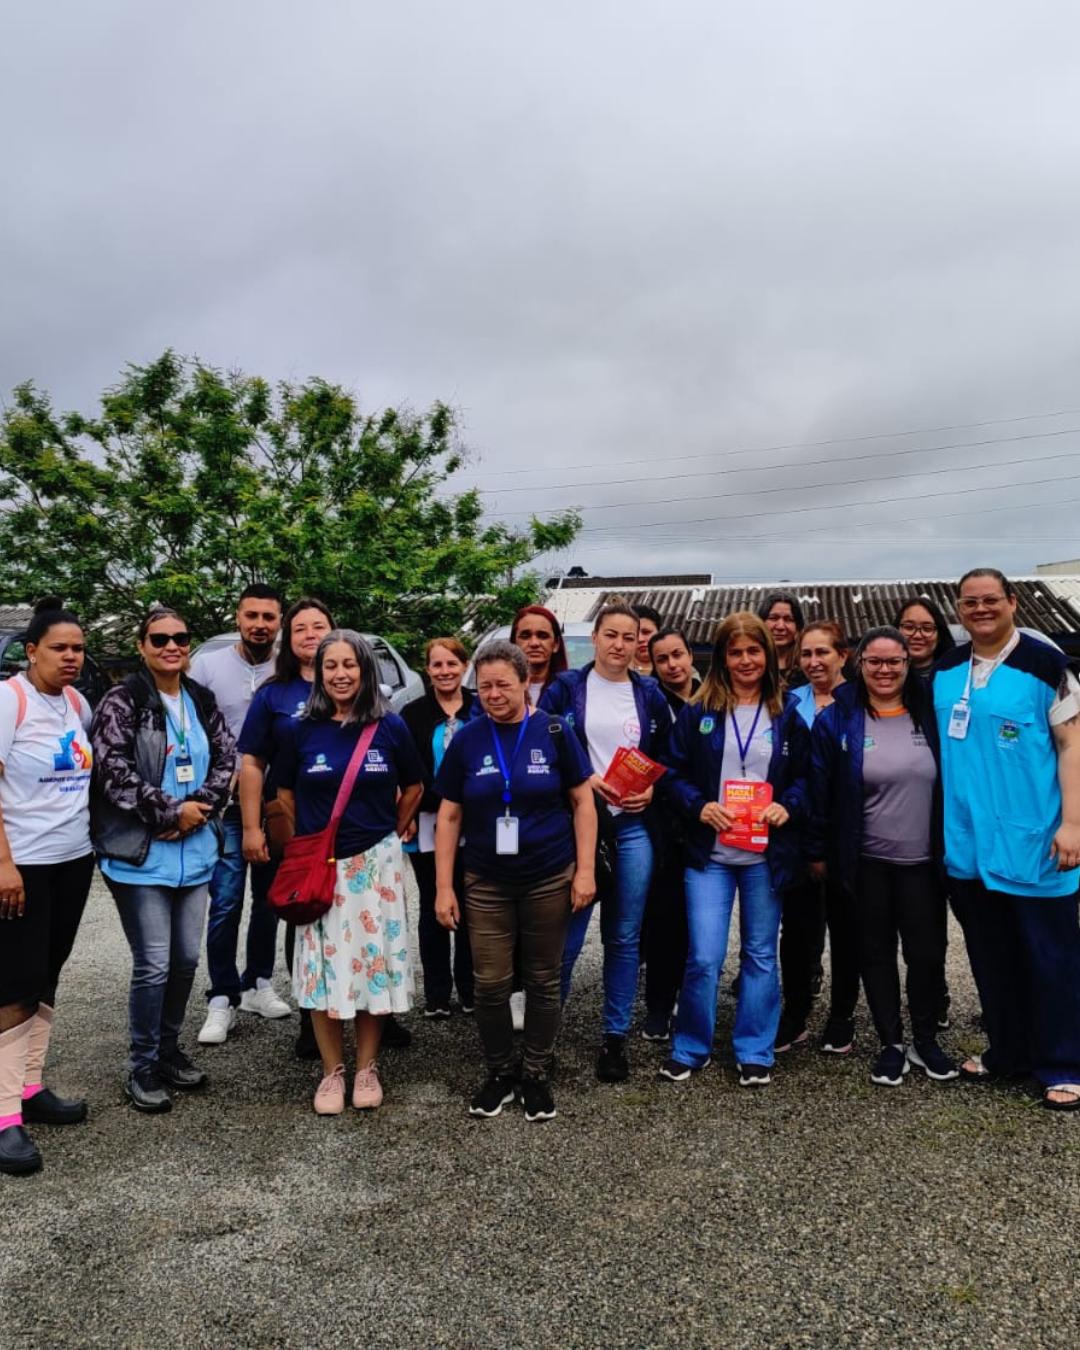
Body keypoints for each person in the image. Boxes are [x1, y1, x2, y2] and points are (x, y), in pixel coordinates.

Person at [933, 568, 1080, 1110]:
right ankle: (1008, 1051)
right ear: (959, 609)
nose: (980, 609)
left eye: (990, 599)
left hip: (1036, 841)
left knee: (1052, 959)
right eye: (969, 602)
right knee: (991, 958)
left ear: (1013, 602)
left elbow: (1072, 746)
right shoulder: (947, 669)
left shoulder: (1047, 666)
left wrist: (1074, 824)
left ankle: (1064, 1061)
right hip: (969, 847)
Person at [433, 641, 596, 1121]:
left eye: (504, 684)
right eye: (484, 686)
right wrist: (445, 887)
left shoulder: (554, 730)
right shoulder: (467, 737)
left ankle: (537, 1073)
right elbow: (449, 815)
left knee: (544, 980)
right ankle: (501, 1071)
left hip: (548, 873)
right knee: (489, 983)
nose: (494, 694)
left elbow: (583, 803)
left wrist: (584, 871)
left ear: (526, 682)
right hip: (486, 879)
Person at [274, 631, 424, 1115]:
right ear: (319, 673)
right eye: (330, 665)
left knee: (371, 969)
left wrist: (392, 830)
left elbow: (416, 785)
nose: (340, 674)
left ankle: (366, 1067)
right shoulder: (302, 730)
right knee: (321, 971)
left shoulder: (390, 727)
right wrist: (310, 843)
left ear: (366, 670)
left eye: (350, 665)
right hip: (323, 868)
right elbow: (285, 794)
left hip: (375, 867)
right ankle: (331, 1072)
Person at [92, 607, 235, 1112]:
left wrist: (199, 811)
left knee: (186, 960)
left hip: (194, 853)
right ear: (142, 645)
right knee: (153, 963)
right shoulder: (122, 699)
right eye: (160, 639)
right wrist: (171, 810)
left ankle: (171, 1049)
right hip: (142, 855)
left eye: (179, 638)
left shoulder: (199, 698)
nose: (171, 646)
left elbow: (226, 756)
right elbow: (112, 770)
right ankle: (142, 1064)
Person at [659, 613, 807, 1088]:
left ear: (767, 653)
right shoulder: (699, 712)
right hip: (711, 856)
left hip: (765, 855)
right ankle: (691, 1046)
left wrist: (788, 804)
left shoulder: (787, 712)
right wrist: (698, 805)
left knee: (761, 954)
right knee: (704, 955)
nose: (745, 661)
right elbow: (671, 773)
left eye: (753, 651)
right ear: (722, 658)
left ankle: (754, 1049)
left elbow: (809, 777)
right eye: (735, 652)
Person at [808, 627, 956, 1087]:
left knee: (928, 954)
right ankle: (891, 1042)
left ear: (907, 665)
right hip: (866, 862)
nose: (885, 670)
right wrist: (817, 852)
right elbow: (819, 793)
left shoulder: (930, 713)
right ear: (859, 664)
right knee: (875, 954)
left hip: (923, 862)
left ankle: (926, 1038)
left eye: (894, 662)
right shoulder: (836, 720)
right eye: (875, 662)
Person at [541, 598, 671, 1082]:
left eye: (629, 636)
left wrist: (655, 789)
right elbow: (544, 747)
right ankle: (544, 1038)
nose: (620, 644)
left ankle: (614, 1038)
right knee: (567, 938)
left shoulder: (649, 693)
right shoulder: (566, 688)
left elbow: (668, 757)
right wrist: (583, 780)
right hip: (580, 826)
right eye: (610, 635)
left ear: (641, 643)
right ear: (593, 639)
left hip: (633, 824)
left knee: (623, 937)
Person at [0, 601, 96, 1176]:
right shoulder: (9, 701)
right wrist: (3, 862)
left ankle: (30, 1087)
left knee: (47, 973)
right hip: (23, 865)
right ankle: (4, 1113)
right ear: (31, 650)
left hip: (71, 859)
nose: (71, 657)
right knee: (13, 983)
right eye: (59, 648)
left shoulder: (76, 705)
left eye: (78, 648)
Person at [190, 584, 287, 1045]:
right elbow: (192, 730)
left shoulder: (286, 669)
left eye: (269, 616)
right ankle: (222, 995)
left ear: (279, 621)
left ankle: (258, 982)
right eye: (252, 615)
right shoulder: (207, 666)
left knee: (270, 900)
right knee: (226, 900)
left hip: (275, 804)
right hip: (225, 805)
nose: (260, 624)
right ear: (238, 616)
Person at [237, 597, 333, 1060]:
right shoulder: (274, 694)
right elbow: (252, 763)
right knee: (304, 915)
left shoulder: (352, 682)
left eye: (319, 625)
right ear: (287, 639)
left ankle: (376, 1010)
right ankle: (310, 1017)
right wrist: (252, 827)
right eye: (300, 628)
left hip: (351, 822)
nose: (310, 634)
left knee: (359, 913)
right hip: (294, 823)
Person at [775, 621, 860, 1054]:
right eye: (806, 654)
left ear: (843, 655)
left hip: (848, 835)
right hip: (797, 834)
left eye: (823, 653)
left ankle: (842, 1015)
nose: (814, 662)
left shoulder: (860, 704)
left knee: (848, 928)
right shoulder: (789, 704)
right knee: (798, 931)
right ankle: (795, 1013)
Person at [401, 637, 476, 1019]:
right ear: (427, 669)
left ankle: (469, 988)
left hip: (474, 820)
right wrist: (407, 814)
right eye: (437, 665)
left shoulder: (480, 706)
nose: (445, 671)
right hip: (429, 820)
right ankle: (435, 993)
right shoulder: (412, 713)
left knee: (471, 903)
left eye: (452, 663)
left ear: (464, 665)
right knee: (434, 902)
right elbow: (404, 770)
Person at [893, 596, 957, 1028]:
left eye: (926, 627)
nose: (917, 635)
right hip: (899, 811)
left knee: (931, 924)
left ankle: (935, 997)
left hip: (947, 806)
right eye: (908, 626)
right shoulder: (885, 678)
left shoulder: (953, 677)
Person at [639, 627, 699, 1041]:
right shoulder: (651, 704)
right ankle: (659, 1004)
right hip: (664, 821)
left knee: (705, 921)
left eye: (678, 655)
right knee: (664, 917)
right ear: (652, 664)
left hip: (712, 820)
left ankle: (696, 1001)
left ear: (690, 654)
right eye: (663, 659)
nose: (672, 665)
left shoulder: (716, 696)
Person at [510, 605, 569, 709]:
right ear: (514, 643)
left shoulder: (571, 691)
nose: (534, 643)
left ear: (556, 644)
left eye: (543, 636)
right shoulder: (495, 692)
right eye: (525, 636)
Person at [894, 597, 956, 679]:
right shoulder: (879, 678)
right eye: (909, 627)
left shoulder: (957, 679)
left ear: (939, 635)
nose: (917, 635)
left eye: (927, 629)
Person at [758, 590, 807, 689]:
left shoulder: (808, 666)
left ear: (798, 627)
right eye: (773, 618)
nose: (780, 626)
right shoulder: (751, 666)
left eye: (788, 619)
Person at [632, 604, 663, 677]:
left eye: (646, 632)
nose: (640, 639)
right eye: (633, 634)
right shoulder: (614, 675)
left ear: (659, 633)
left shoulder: (680, 670)